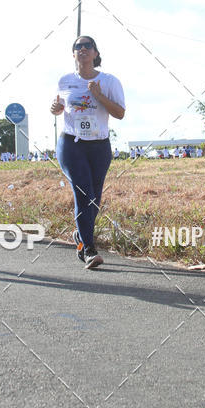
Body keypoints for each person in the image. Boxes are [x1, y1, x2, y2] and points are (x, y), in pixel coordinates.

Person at [51, 35, 125, 269]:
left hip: (99, 145)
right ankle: (89, 250)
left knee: (95, 198)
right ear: (73, 54)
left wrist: (99, 95)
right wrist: (55, 108)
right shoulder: (65, 81)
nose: (82, 49)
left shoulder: (109, 81)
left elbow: (120, 113)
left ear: (95, 53)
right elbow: (59, 107)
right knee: (83, 192)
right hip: (71, 143)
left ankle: (81, 235)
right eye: (78, 47)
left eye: (87, 46)